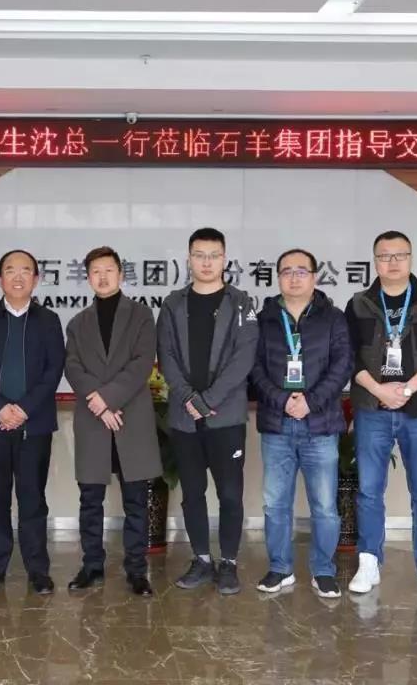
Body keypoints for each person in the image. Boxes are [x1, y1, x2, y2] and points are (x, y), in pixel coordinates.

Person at [345, 230, 417, 603]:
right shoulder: (358, 303)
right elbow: (348, 356)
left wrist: (406, 389)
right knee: (368, 491)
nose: (392, 262)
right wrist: (379, 390)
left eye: (399, 255)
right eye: (384, 256)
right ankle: (369, 563)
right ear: (375, 261)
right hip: (372, 408)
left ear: (410, 258)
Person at [156, 227, 259, 596]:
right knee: (193, 492)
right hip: (185, 417)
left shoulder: (241, 303)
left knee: (230, 493)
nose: (206, 262)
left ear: (224, 259)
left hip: (225, 417)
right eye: (199, 255)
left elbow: (244, 357)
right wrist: (189, 398)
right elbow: (166, 355)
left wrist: (209, 400)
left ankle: (228, 562)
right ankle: (201, 559)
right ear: (189, 259)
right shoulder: (173, 304)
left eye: (214, 255)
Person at [0, 249, 66, 596]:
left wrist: (22, 409)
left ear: (36, 279)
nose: (18, 277)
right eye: (10, 270)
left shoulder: (49, 320)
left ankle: (38, 570)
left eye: (25, 271)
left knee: (32, 498)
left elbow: (53, 370)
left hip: (33, 425)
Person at [251, 248, 353, 599]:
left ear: (314, 276)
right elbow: (254, 368)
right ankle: (280, 568)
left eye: (301, 271)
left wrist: (310, 401)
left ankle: (323, 570)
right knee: (275, 503)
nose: (293, 278)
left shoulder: (333, 318)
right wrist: (282, 400)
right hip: (276, 424)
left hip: (320, 424)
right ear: (278, 277)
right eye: (286, 271)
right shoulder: (264, 319)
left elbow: (343, 365)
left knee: (324, 505)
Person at [64, 246, 162, 598]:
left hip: (130, 418)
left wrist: (107, 398)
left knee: (136, 500)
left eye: (108, 270)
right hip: (94, 420)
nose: (102, 277)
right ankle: (91, 565)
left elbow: (142, 362)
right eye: (95, 271)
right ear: (88, 277)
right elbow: (72, 366)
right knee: (90, 499)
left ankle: (136, 569)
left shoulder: (141, 315)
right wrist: (100, 404)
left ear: (121, 274)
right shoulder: (78, 323)